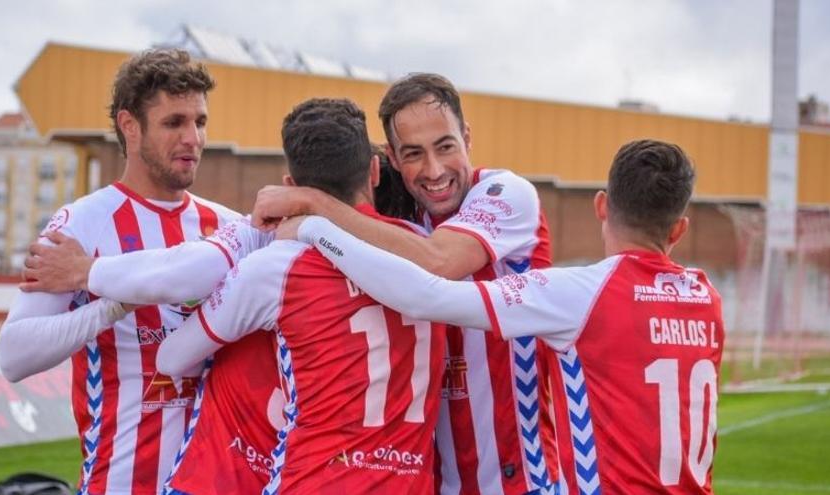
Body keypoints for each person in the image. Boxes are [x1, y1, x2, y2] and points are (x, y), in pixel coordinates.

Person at [286, 139, 726, 494]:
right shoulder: (708, 299)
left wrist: (314, 226)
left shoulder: (578, 293)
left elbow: (425, 296)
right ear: (678, 229)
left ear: (601, 206)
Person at [252, 73, 557, 493]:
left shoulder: (507, 193)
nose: (434, 171)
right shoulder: (398, 223)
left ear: (467, 136)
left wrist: (312, 206)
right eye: (413, 154)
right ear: (391, 159)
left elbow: (440, 261)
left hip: (524, 481)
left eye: (445, 146)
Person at [154, 98, 446, 494]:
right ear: (375, 171)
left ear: (290, 187)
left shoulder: (277, 264)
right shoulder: (425, 249)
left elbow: (170, 358)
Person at [0, 49, 246, 495]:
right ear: (130, 126)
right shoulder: (80, 224)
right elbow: (14, 356)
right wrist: (115, 303)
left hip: (219, 482)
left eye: (200, 122)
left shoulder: (228, 227)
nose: (193, 138)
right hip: (122, 482)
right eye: (174, 123)